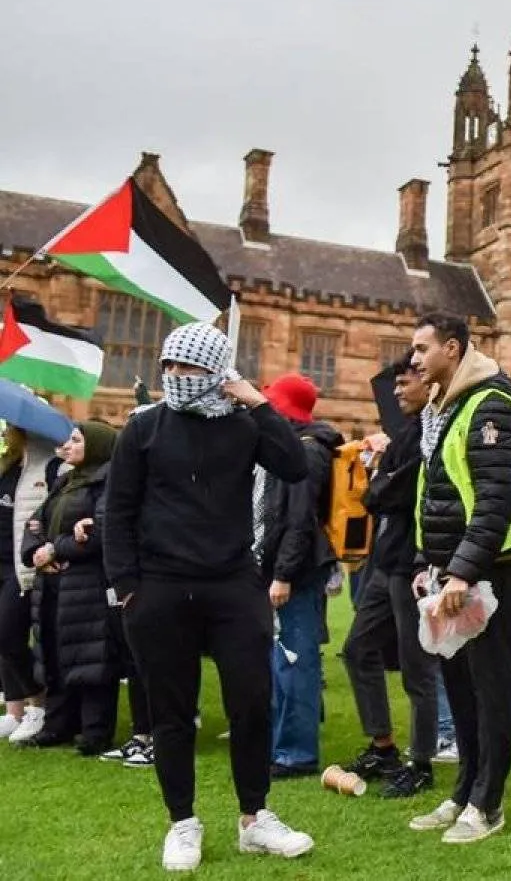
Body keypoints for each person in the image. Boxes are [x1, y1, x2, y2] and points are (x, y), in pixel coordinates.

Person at [104, 322, 315, 871]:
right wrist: (128, 590)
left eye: (190, 367)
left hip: (232, 583)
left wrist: (260, 403)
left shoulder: (245, 426)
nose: (176, 377)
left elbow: (295, 465)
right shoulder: (143, 428)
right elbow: (118, 512)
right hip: (160, 587)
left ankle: (255, 818)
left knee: (251, 704)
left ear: (218, 371)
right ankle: (182, 823)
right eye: (169, 365)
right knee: (172, 712)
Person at [403, 313, 511, 844]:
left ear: (453, 347)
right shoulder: (445, 408)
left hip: (488, 572)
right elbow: (440, 498)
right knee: (461, 688)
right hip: (451, 574)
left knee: (491, 691)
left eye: (422, 349)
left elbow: (495, 499)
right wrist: (431, 567)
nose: (414, 359)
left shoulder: (490, 404)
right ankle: (466, 788)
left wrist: (462, 572)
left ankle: (488, 804)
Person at [342, 350, 443, 798]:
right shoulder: (404, 433)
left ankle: (421, 762)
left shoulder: (428, 433)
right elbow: (382, 491)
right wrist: (381, 482)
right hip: (387, 560)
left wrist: (381, 482)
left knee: (416, 668)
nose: (398, 389)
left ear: (428, 383)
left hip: (412, 562)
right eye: (396, 382)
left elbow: (386, 493)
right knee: (358, 647)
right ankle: (382, 745)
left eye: (406, 382)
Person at [254, 373, 342, 779]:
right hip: (282, 568)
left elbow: (300, 520)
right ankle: (283, 742)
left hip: (297, 572)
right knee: (284, 659)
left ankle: (295, 753)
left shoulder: (305, 453)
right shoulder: (291, 448)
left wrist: (283, 574)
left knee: (295, 660)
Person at [18, 422, 119, 754]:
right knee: (53, 649)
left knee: (90, 655)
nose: (69, 445)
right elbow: (36, 521)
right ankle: (58, 724)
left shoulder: (105, 482)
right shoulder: (65, 481)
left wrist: (57, 549)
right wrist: (37, 553)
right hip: (52, 582)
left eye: (77, 440)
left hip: (86, 583)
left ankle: (94, 731)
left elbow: (100, 533)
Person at [0, 425, 56, 744]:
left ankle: (38, 704)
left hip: (20, 565)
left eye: (11, 429)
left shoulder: (47, 465)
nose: (6, 432)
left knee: (8, 634)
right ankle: (14, 710)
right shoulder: (7, 464)